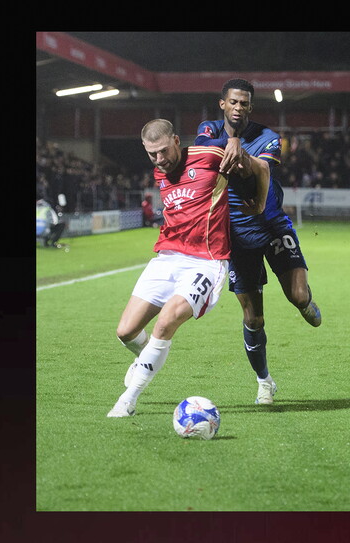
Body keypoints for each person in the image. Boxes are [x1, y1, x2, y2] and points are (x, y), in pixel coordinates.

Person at [108, 119, 268, 417]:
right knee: (126, 331)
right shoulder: (160, 171)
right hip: (167, 258)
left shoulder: (210, 156)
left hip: (206, 262)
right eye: (152, 154)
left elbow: (261, 168)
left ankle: (128, 400)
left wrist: (259, 203)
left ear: (176, 141)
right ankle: (147, 359)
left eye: (163, 151)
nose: (159, 159)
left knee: (166, 322)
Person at [193, 78, 322, 406]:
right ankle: (265, 381)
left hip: (272, 225)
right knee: (253, 319)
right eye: (233, 102)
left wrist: (238, 148)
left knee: (298, 296)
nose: (238, 108)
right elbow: (204, 155)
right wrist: (231, 143)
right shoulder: (207, 130)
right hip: (236, 237)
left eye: (244, 103)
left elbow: (261, 168)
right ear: (222, 104)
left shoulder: (268, 137)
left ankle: (305, 302)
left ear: (251, 106)